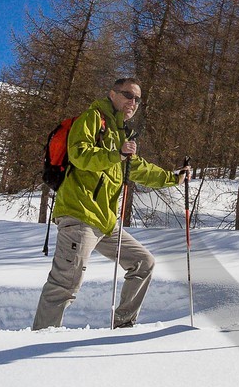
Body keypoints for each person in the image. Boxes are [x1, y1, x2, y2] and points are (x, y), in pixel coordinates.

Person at [32, 78, 188, 330]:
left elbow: (137, 168)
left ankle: (123, 326)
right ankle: (37, 341)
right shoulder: (93, 118)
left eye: (137, 99)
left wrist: (174, 178)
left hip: (105, 222)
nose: (132, 102)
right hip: (80, 213)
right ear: (112, 94)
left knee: (143, 263)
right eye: (128, 95)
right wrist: (116, 154)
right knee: (65, 284)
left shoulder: (120, 132)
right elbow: (79, 154)